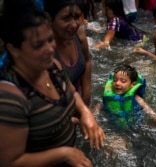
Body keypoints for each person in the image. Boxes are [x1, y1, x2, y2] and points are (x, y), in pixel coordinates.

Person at [0, 1, 105, 166]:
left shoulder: (51, 66)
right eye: (38, 45)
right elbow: (10, 162)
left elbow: (73, 92)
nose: (50, 49)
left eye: (50, 39)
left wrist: (85, 112)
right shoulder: (10, 98)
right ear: (13, 49)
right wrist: (64, 154)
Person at [43, 0, 92, 106]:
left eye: (77, 17)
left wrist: (86, 97)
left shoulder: (78, 35)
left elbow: (87, 61)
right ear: (50, 19)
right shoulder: (44, 51)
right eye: (66, 18)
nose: (74, 25)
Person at [94, 64, 156, 131]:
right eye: (115, 80)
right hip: (114, 128)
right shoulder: (107, 98)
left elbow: (149, 110)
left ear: (132, 84)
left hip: (136, 127)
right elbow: (96, 110)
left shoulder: (136, 98)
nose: (117, 83)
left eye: (123, 81)